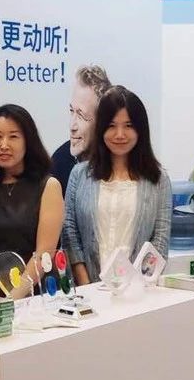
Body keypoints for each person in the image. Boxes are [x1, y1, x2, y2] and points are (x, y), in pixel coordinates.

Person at [62, 85, 171, 285]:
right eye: (111, 126)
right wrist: (88, 287)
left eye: (128, 125)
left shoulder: (158, 179)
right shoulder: (79, 175)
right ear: (101, 128)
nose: (120, 134)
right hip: (89, 290)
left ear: (140, 129)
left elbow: (160, 240)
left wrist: (136, 288)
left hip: (139, 292)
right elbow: (70, 234)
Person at [0, 104, 64, 297]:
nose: (4, 145)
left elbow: (44, 252)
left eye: (13, 137)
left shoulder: (49, 186)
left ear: (28, 141)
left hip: (40, 297)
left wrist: (12, 300)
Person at [50, 65, 112, 194]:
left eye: (81, 115)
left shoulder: (119, 161)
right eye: (71, 111)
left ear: (102, 120)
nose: (72, 126)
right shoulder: (59, 162)